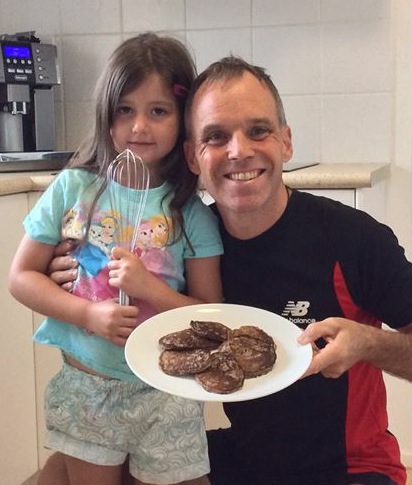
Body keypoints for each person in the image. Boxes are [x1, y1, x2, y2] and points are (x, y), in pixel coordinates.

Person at [47, 55, 412, 485]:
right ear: (192, 156)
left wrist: (368, 344)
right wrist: (80, 276)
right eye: (216, 136)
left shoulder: (352, 237)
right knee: (58, 472)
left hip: (350, 469)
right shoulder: (184, 247)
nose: (238, 151)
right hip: (243, 459)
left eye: (258, 131)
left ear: (286, 142)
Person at [8, 33, 223, 485]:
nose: (139, 126)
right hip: (88, 388)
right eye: (125, 109)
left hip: (166, 392)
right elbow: (22, 277)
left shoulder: (191, 213)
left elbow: (210, 316)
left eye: (158, 111)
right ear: (106, 114)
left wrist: (151, 289)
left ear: (182, 119)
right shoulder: (73, 189)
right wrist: (87, 313)